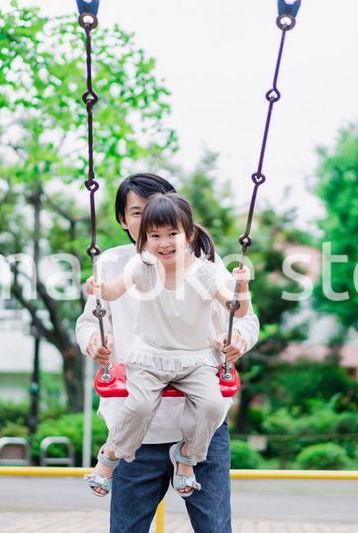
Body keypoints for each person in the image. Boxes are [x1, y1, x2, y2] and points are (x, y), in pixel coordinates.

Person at [75, 173, 259, 532]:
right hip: (136, 429)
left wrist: (238, 338)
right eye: (139, 213)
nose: (152, 223)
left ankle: (186, 456)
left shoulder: (204, 264)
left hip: (202, 427)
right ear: (123, 220)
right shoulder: (116, 264)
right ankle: (109, 455)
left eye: (161, 213)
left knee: (215, 528)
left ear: (183, 224)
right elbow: (89, 321)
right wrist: (94, 341)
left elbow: (244, 317)